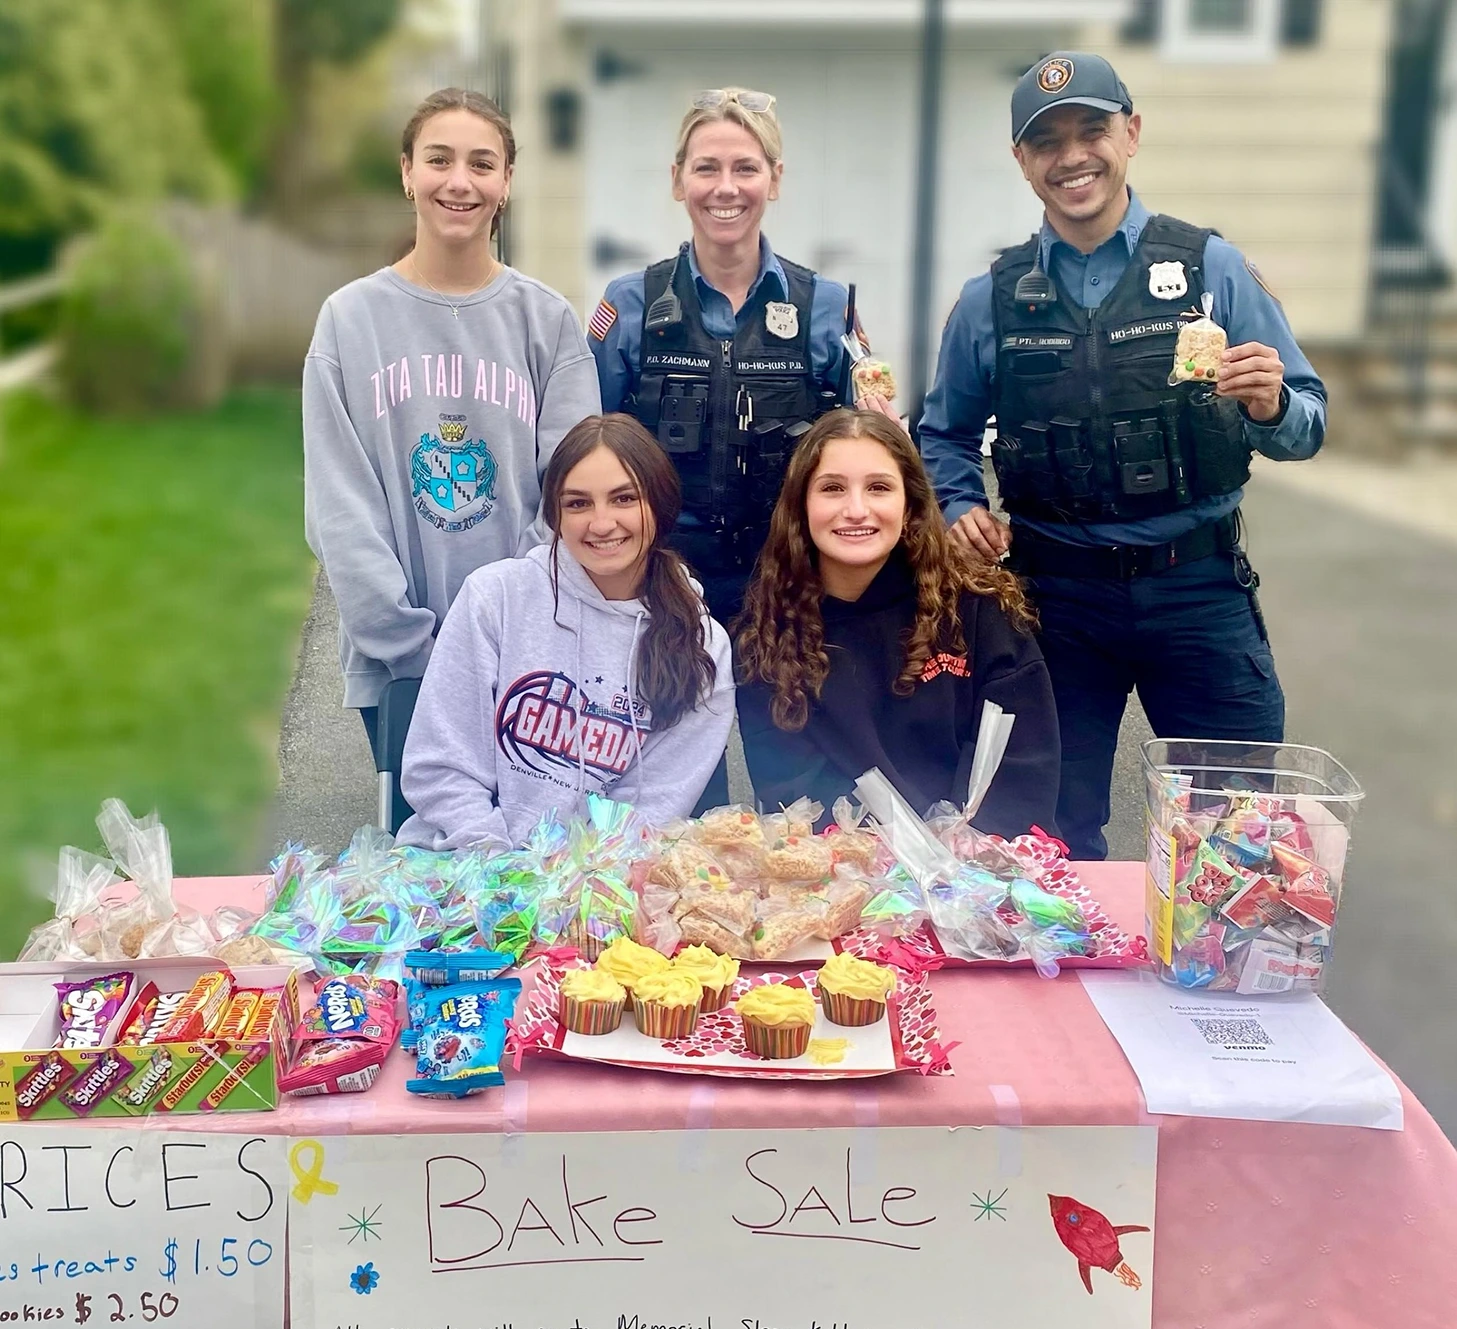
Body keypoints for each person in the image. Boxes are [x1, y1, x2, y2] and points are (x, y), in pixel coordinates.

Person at [919, 52, 1327, 860]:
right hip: (1054, 598)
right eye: (1047, 141)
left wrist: (1270, 403)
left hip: (1197, 588)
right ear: (1021, 161)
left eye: (1091, 131)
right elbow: (942, 432)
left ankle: (1213, 943)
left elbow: (1308, 421)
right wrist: (959, 504)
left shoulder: (1210, 268)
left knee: (1231, 835)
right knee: (1044, 835)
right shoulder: (988, 301)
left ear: (1131, 133)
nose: (1071, 156)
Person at [304, 88, 600, 758]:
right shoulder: (349, 321)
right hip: (398, 667)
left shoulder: (547, 322)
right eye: (439, 160)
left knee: (533, 826)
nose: (459, 181)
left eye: (481, 164)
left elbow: (573, 493)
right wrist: (409, 645)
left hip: (530, 658)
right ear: (407, 172)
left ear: (506, 182)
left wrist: (511, 630)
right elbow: (339, 508)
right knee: (416, 825)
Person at [588, 86, 890, 629]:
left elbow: (870, 445)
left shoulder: (826, 306)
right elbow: (589, 443)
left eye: (746, 168)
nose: (725, 188)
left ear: (774, 179)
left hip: (786, 579)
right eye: (706, 168)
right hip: (657, 577)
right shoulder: (630, 303)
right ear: (678, 180)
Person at [395, 414, 735, 851]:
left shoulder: (702, 643)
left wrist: (570, 882)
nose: (601, 523)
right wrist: (502, 870)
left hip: (602, 876)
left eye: (624, 499)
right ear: (554, 515)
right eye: (578, 504)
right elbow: (442, 767)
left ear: (659, 504)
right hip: (464, 860)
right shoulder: (496, 597)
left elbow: (653, 807)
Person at [735, 411, 1060, 839]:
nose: (856, 510)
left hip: (983, 861)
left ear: (909, 506)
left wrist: (960, 858)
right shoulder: (768, 634)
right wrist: (886, 863)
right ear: (801, 506)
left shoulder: (981, 610)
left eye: (879, 488)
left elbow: (1022, 767)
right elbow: (793, 793)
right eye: (832, 488)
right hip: (847, 865)